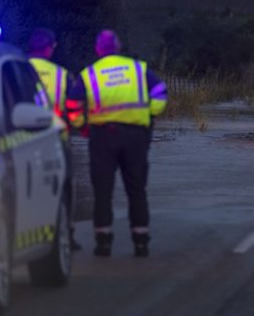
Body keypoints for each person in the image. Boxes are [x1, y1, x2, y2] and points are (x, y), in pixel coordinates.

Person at [69, 30, 167, 257]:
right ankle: (140, 240)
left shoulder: (90, 74)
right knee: (136, 188)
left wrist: (82, 126)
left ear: (97, 49)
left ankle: (103, 241)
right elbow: (160, 92)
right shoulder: (138, 69)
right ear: (119, 46)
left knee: (102, 190)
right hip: (135, 136)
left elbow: (73, 105)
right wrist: (151, 114)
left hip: (102, 137)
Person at [28, 28, 82, 251]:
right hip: (55, 140)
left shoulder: (17, 69)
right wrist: (80, 126)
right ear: (51, 48)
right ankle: (66, 233)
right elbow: (74, 110)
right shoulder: (62, 75)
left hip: (20, 141)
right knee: (64, 186)